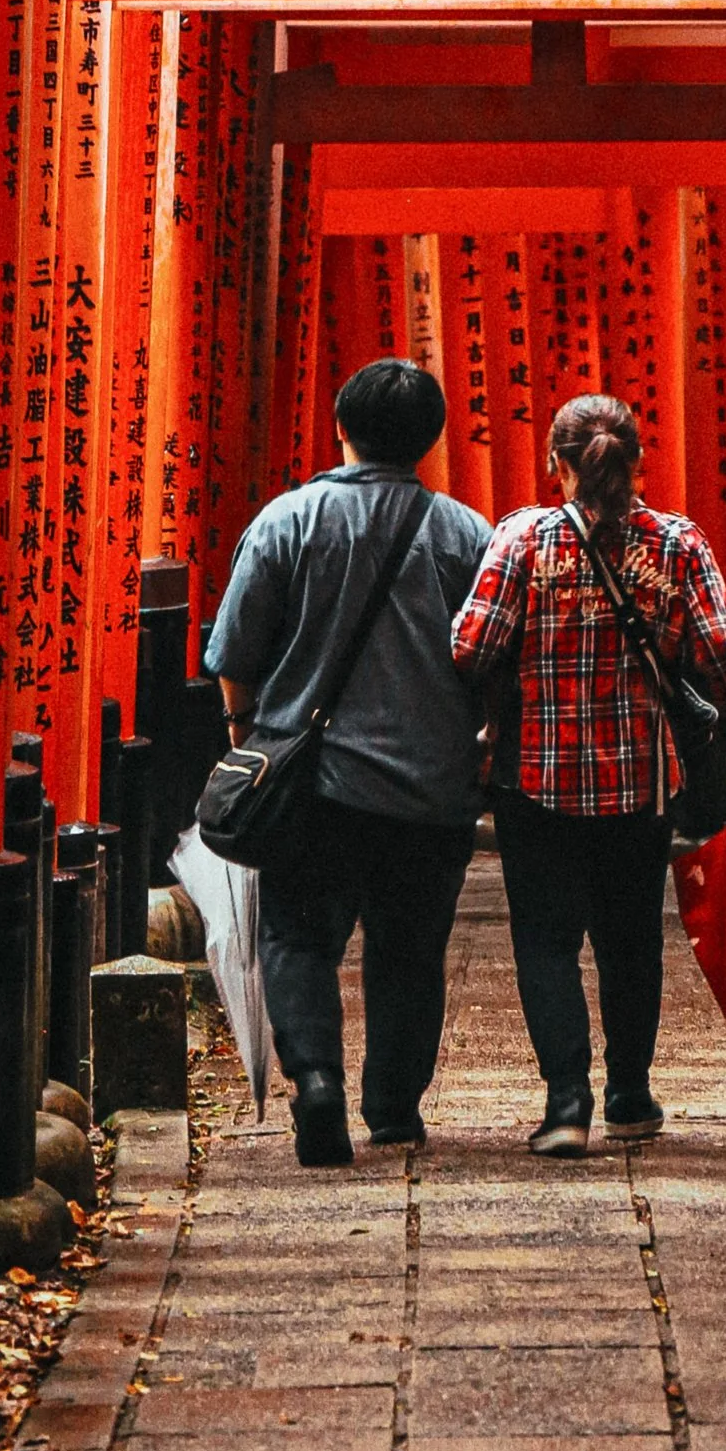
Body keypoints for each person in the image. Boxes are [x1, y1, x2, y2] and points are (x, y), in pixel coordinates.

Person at [451, 392, 726, 1156]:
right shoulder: (677, 545)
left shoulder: (522, 541)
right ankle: (631, 1094)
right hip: (640, 786)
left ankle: (566, 1106)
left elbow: (469, 646)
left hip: (538, 782)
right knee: (631, 941)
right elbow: (725, 656)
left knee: (547, 942)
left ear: (557, 467)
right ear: (634, 464)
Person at [205, 357, 492, 1169]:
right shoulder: (465, 534)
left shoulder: (288, 521)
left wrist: (244, 730)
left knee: (298, 939)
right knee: (408, 951)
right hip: (430, 789)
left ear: (340, 425)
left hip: (314, 783)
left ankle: (318, 1083)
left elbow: (235, 648)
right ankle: (394, 1110)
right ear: (432, 439)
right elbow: (491, 655)